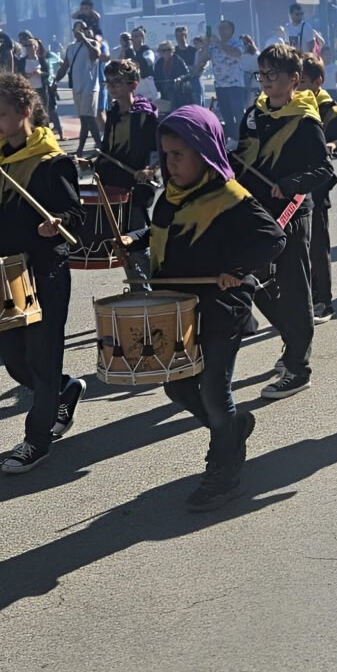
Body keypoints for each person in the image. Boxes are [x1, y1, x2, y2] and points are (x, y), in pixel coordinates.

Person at [125, 106, 284, 511]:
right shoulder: (170, 197)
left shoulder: (231, 198)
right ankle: (232, 429)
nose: (170, 164)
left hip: (220, 307)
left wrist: (236, 269)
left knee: (214, 388)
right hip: (177, 309)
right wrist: (136, 240)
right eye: (166, 155)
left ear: (205, 151)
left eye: (179, 155)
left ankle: (223, 469)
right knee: (177, 386)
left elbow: (273, 238)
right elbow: (163, 229)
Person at [0, 74, 85, 475]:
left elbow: (75, 212)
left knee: (41, 357)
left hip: (44, 269)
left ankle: (36, 440)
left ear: (25, 111)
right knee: (9, 353)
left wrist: (57, 222)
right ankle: (63, 390)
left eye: (1, 114)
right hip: (4, 272)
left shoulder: (52, 161)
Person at [236, 43, 335, 400]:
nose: (264, 81)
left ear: (294, 79)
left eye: (272, 74)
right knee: (253, 278)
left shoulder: (306, 120)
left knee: (294, 286)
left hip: (293, 209)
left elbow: (323, 169)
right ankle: (293, 340)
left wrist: (290, 184)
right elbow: (243, 157)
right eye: (261, 74)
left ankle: (298, 367)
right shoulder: (254, 115)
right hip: (257, 209)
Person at [297, 53, 337, 323]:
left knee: (317, 245)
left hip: (317, 186)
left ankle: (324, 301)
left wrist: (333, 145)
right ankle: (303, 300)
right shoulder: (287, 105)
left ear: (318, 81)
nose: (296, 86)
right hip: (291, 186)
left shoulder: (326, 109)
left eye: (301, 81)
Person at [96, 59, 159, 261]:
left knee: (136, 241)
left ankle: (145, 288)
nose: (111, 86)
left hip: (135, 185)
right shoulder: (113, 112)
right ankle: (136, 288)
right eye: (109, 82)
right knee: (119, 242)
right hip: (114, 182)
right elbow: (108, 148)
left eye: (117, 82)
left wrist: (150, 170)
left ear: (133, 85)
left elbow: (158, 148)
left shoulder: (145, 114)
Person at [58, 21, 104, 151]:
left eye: (82, 29)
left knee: (89, 118)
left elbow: (96, 55)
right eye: (77, 29)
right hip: (77, 87)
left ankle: (94, 147)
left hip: (90, 86)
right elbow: (65, 66)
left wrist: (85, 40)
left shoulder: (93, 43)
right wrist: (55, 80)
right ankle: (81, 148)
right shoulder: (71, 48)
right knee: (84, 119)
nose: (79, 32)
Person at [207, 19, 251, 139]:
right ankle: (231, 140)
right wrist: (206, 43)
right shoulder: (213, 46)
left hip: (235, 85)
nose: (221, 31)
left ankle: (243, 139)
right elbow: (204, 57)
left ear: (231, 30)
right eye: (219, 28)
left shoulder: (237, 42)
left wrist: (220, 44)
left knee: (238, 114)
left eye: (224, 28)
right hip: (220, 86)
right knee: (227, 116)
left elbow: (236, 54)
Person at [152, 40, 195, 110]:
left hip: (179, 94)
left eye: (168, 50)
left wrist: (180, 79)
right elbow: (156, 78)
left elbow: (187, 75)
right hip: (165, 94)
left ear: (173, 50)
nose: (166, 52)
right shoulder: (159, 63)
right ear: (160, 52)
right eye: (163, 50)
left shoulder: (178, 60)